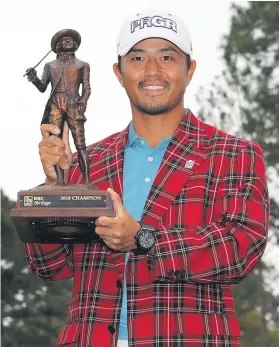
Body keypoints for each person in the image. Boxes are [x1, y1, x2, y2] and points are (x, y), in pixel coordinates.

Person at [24, 10, 270, 347]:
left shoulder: (233, 154)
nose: (152, 71)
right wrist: (54, 190)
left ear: (190, 70)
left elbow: (239, 249)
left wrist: (143, 238)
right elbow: (51, 267)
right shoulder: (89, 161)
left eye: (167, 57)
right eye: (137, 58)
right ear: (119, 73)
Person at [26, 29, 91, 185]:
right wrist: (34, 78)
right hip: (55, 104)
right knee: (56, 143)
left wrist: (83, 102)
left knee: (80, 143)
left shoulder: (82, 65)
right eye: (63, 40)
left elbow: (87, 88)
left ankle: (88, 182)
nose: (67, 41)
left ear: (76, 45)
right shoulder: (50, 65)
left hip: (74, 104)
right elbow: (43, 87)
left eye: (70, 39)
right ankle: (60, 182)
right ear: (57, 46)